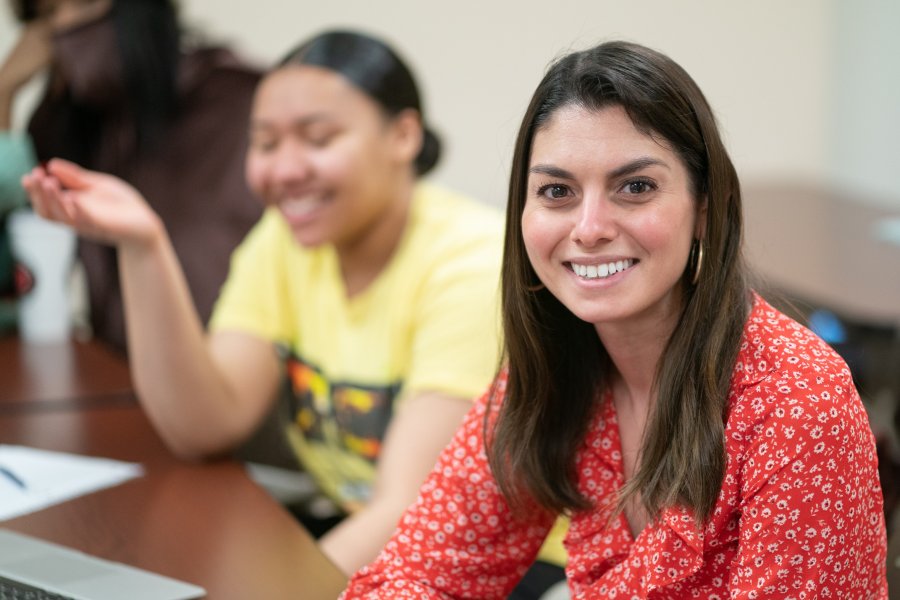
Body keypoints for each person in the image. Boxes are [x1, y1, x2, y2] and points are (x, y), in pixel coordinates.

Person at [342, 40, 888, 598]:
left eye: (636, 187)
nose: (589, 227)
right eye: (557, 191)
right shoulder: (558, 365)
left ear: (704, 209)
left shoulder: (798, 403)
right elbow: (421, 574)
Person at [21, 29, 505, 577]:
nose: (284, 170)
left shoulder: (472, 262)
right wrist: (143, 244)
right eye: (266, 142)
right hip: (368, 543)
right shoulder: (287, 242)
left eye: (318, 139)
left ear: (403, 135)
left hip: (495, 562)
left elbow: (410, 511)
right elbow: (205, 422)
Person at [0, 0, 262, 352]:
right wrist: (5, 90)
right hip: (118, 371)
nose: (62, 28)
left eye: (82, 4)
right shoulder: (66, 124)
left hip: (232, 363)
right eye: (46, 16)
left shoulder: (233, 97)